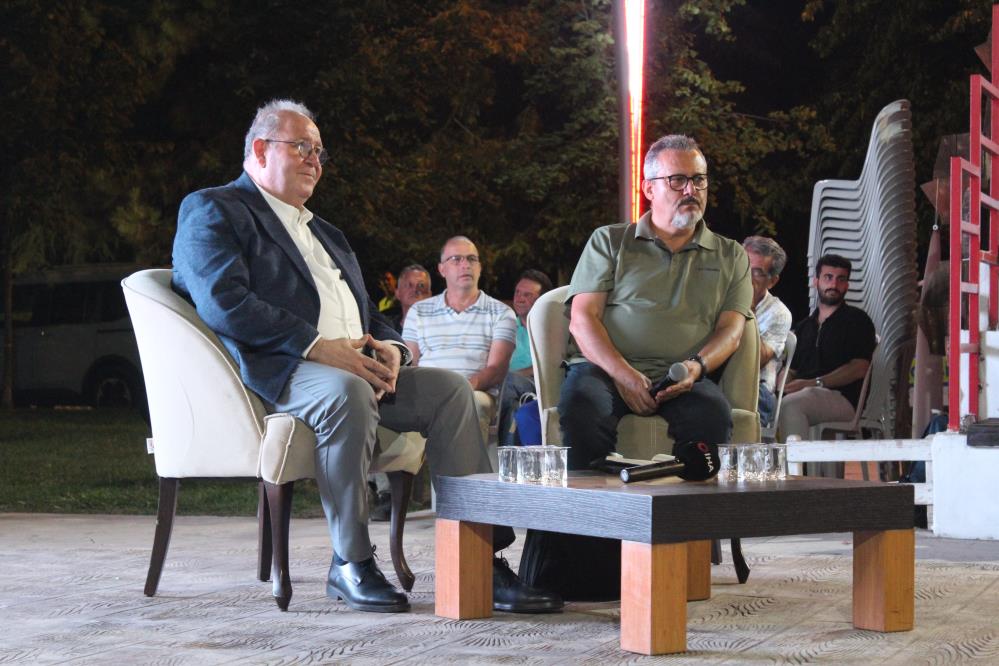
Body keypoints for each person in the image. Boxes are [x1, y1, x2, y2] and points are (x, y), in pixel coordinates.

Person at [171, 99, 560, 614]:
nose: (315, 160)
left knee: (449, 390)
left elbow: (367, 313)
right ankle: (350, 562)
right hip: (283, 369)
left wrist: (394, 349)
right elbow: (225, 301)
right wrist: (317, 346)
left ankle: (476, 561)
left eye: (319, 151)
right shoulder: (216, 209)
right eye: (302, 147)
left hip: (358, 365)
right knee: (349, 392)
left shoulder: (324, 232)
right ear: (261, 150)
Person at [559, 134, 753, 470]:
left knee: (712, 416)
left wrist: (696, 368)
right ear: (649, 189)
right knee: (583, 407)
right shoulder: (610, 241)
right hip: (605, 371)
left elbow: (731, 331)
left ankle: (689, 504)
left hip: (684, 376)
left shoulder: (731, 255)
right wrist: (625, 375)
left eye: (699, 180)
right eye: (677, 180)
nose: (691, 190)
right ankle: (590, 503)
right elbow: (583, 319)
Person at [402, 236, 517, 444]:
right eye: (456, 259)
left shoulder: (501, 313)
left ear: (480, 267)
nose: (465, 265)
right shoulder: (419, 311)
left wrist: (458, 389)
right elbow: (411, 364)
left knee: (468, 404)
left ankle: (463, 466)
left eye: (472, 259)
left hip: (474, 392)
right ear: (442, 269)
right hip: (427, 391)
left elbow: (497, 370)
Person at [778, 254, 876, 474]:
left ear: (847, 285)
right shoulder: (804, 327)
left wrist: (813, 383)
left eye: (841, 279)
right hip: (806, 396)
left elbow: (860, 367)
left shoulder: (857, 321)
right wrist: (783, 383)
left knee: (792, 405)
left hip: (844, 399)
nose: (834, 284)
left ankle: (798, 479)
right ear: (816, 281)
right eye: (828, 277)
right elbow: (791, 369)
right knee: (768, 405)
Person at [742, 236, 792, 427]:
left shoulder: (779, 314)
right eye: (743, 267)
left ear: (772, 281)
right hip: (718, 381)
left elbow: (756, 360)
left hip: (756, 389)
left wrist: (748, 309)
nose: (746, 277)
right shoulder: (720, 298)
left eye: (756, 273)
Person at [499, 269, 553, 445]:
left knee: (509, 382)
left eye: (527, 295)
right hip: (508, 388)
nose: (519, 298)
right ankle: (508, 455)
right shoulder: (505, 326)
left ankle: (503, 454)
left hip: (538, 383)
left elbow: (550, 365)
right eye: (517, 292)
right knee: (514, 408)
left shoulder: (550, 328)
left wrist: (518, 374)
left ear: (541, 300)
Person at [382, 264, 431, 333]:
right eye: (408, 285)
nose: (415, 289)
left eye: (421, 285)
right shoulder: (384, 330)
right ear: (398, 293)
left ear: (429, 295)